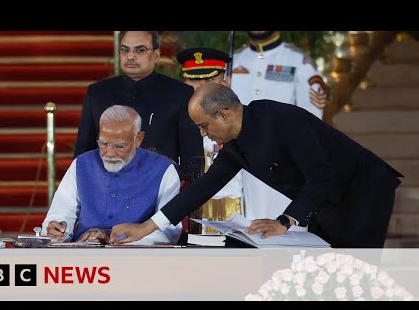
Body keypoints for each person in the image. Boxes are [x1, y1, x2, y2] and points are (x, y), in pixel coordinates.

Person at [110, 83, 403, 248]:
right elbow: (202, 188)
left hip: (364, 189)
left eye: (203, 125)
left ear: (224, 115)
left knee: (355, 272)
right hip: (326, 200)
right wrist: (146, 227)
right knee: (325, 270)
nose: (202, 133)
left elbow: (321, 176)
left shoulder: (279, 119)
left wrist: (284, 221)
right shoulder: (236, 145)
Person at [74, 31, 204, 182]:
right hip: (107, 188)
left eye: (140, 50)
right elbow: (83, 154)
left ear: (156, 54)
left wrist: (178, 195)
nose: (130, 56)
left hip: (161, 191)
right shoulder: (97, 93)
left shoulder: (180, 93)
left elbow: (193, 157)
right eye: (125, 50)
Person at [42, 105, 182, 245]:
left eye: (119, 146)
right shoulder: (82, 164)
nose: (109, 153)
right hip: (84, 257)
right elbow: (61, 213)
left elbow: (169, 230)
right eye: (103, 143)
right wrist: (57, 230)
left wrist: (113, 238)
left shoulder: (163, 169)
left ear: (138, 139)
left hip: (139, 259)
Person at [231, 31, 328, 225]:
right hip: (238, 167)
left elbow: (311, 121)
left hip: (284, 168)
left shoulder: (298, 61)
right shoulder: (233, 61)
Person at [176, 47, 243, 223]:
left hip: (235, 213)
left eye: (210, 79)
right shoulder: (173, 120)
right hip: (183, 212)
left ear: (225, 82)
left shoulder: (236, 119)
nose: (201, 86)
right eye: (193, 79)